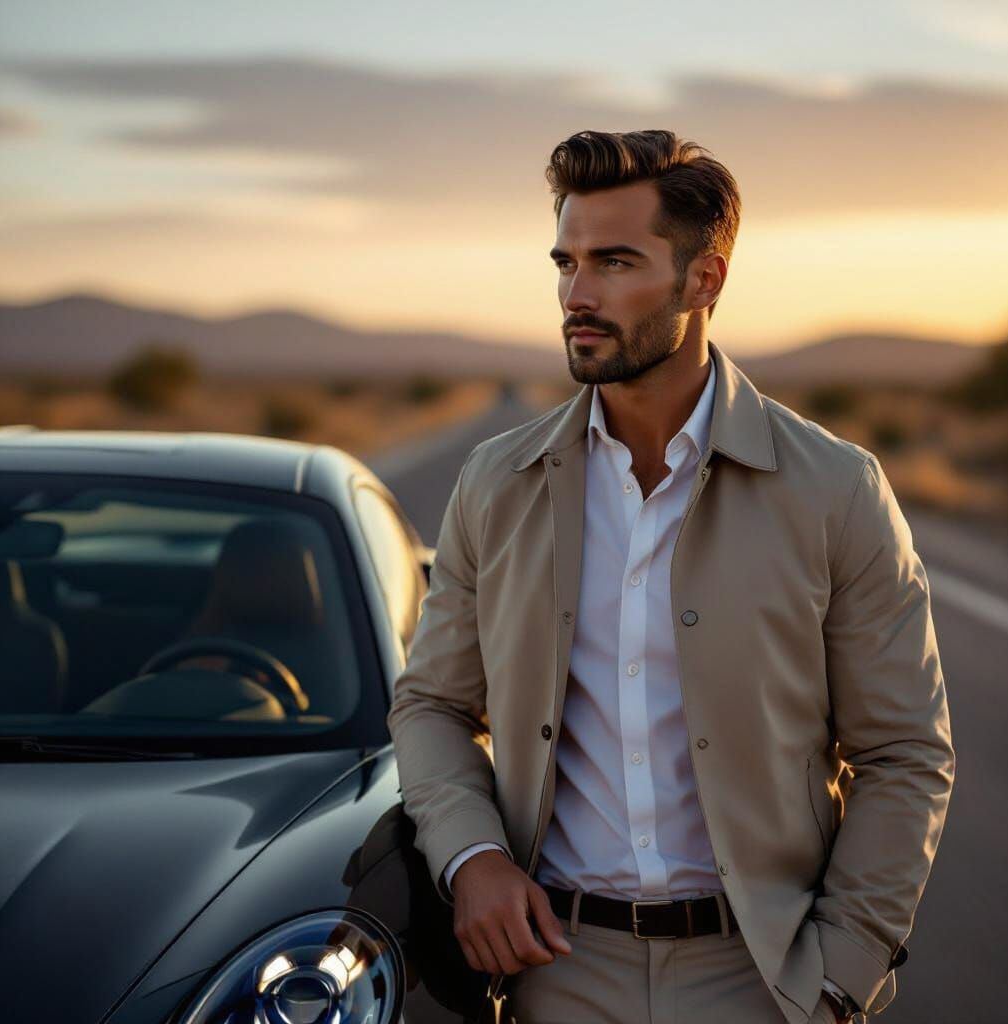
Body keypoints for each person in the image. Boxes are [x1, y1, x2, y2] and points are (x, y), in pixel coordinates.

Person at [386, 129, 954, 1024]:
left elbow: (904, 753)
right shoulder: (496, 486)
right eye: (565, 262)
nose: (577, 293)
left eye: (614, 261)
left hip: (764, 975)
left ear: (705, 279)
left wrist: (841, 975)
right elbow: (432, 707)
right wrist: (472, 858)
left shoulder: (835, 489)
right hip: (555, 967)